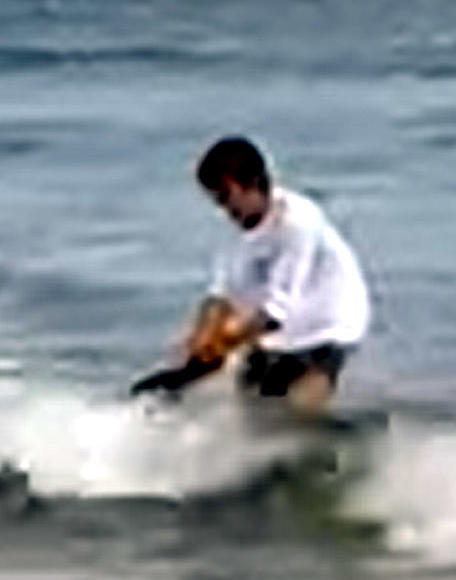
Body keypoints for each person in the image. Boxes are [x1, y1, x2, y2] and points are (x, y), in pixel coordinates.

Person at [132, 136, 371, 417]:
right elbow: (221, 295)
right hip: (281, 332)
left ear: (254, 184)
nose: (222, 207)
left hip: (329, 326)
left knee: (298, 410)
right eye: (215, 197)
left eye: (225, 195)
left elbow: (276, 312)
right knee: (252, 405)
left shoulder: (298, 223)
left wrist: (221, 344)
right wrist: (198, 343)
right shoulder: (244, 227)